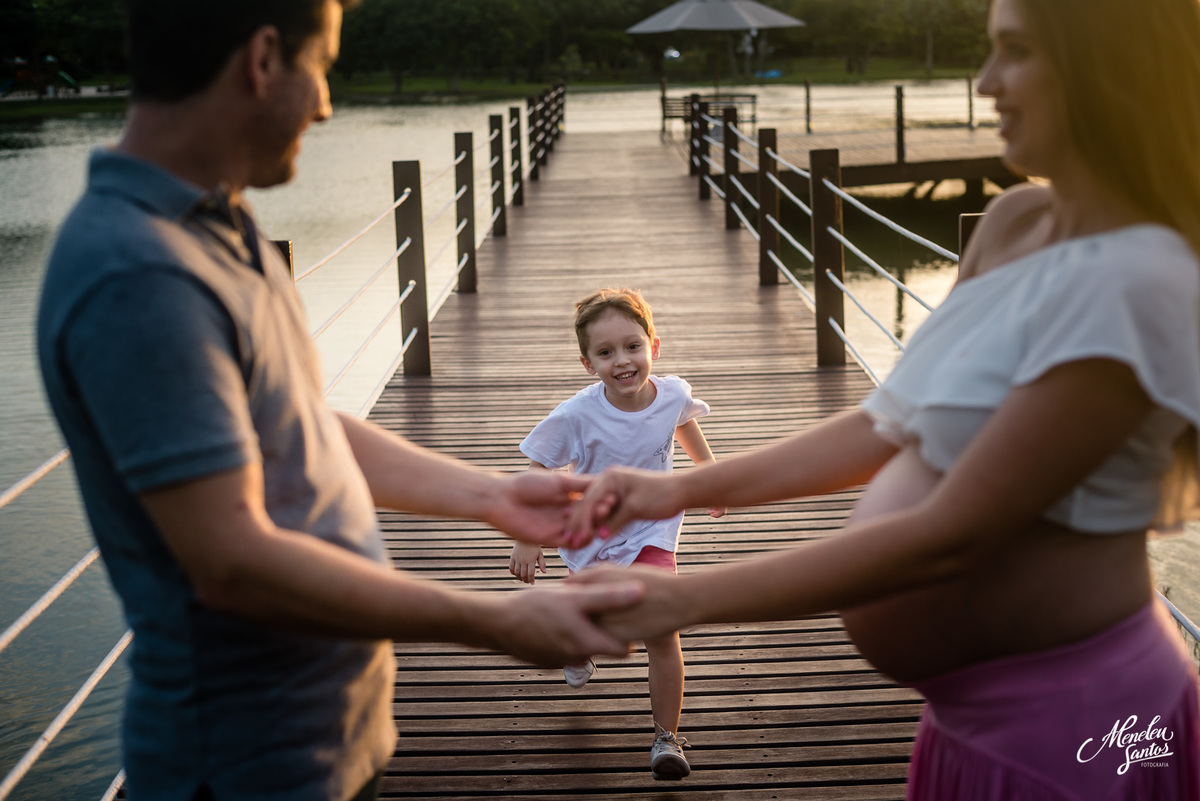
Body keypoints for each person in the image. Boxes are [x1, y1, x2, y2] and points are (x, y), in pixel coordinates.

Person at [568, 0, 1200, 797]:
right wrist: (673, 489)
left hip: (1075, 722)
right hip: (959, 718)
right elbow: (886, 422)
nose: (985, 82)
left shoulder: (1142, 277)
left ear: (1110, 67)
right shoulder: (1014, 222)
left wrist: (678, 596)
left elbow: (951, 533)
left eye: (1016, 50)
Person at [35, 3, 641, 800]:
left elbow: (302, 429)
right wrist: (492, 620)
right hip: (246, 766)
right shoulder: (138, 275)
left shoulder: (216, 222)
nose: (325, 104)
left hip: (331, 739)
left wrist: (492, 497)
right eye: (320, 66)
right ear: (262, 60)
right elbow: (231, 563)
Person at [507, 288, 723, 780]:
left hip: (653, 529)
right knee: (592, 617)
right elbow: (540, 468)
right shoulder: (576, 415)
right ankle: (576, 645)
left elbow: (683, 423)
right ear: (588, 364)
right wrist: (527, 535)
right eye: (606, 353)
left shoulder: (672, 394)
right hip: (594, 535)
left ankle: (666, 739)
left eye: (632, 346)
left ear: (654, 346)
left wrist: (710, 475)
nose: (623, 361)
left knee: (661, 629)